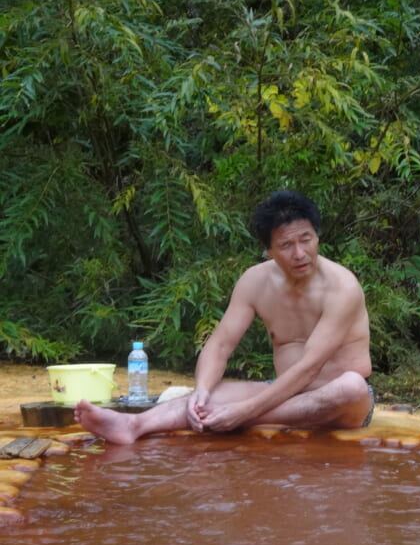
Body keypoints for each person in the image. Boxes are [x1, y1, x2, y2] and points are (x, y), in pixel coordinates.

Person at [75, 190, 373, 445]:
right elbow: (219, 345)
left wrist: (244, 411)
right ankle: (133, 426)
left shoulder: (342, 287)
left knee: (351, 386)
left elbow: (309, 369)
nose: (299, 253)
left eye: (306, 240)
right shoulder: (254, 281)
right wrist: (203, 390)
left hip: (339, 402)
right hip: (280, 393)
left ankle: (243, 416)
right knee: (207, 396)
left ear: (317, 237)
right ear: (268, 251)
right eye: (285, 245)